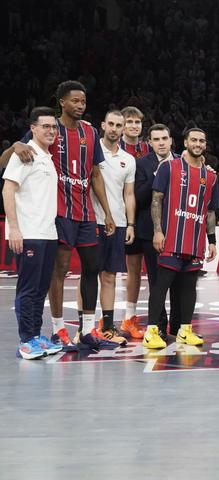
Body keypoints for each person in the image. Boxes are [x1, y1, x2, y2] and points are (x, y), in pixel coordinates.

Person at [1, 81, 117, 351]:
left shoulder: (89, 131)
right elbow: (8, 160)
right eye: (75, 100)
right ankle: (58, 330)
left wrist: (107, 212)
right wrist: (17, 144)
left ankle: (87, 330)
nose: (80, 105)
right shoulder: (48, 130)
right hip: (58, 214)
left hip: (86, 212)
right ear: (62, 102)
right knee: (58, 272)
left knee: (92, 267)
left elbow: (95, 173)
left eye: (83, 101)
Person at [143, 128, 219, 349]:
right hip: (172, 239)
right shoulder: (169, 167)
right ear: (185, 142)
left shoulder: (211, 176)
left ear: (205, 145)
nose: (197, 143)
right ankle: (151, 331)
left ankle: (185, 330)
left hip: (195, 241)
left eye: (201, 140)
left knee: (189, 288)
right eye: (193, 140)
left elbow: (211, 211)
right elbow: (156, 200)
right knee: (161, 286)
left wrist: (212, 240)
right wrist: (158, 231)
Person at [2, 107, 63, 359]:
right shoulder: (24, 154)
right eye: (45, 126)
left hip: (48, 233)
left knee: (39, 290)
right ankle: (26, 341)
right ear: (33, 128)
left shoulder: (47, 157)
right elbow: (7, 190)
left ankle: (36, 336)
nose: (50, 131)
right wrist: (14, 227)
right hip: (28, 233)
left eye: (53, 127)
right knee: (28, 290)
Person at [81, 110, 136, 343]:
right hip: (93, 221)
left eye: (118, 125)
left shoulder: (129, 159)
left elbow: (129, 194)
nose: (114, 129)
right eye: (111, 124)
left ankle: (107, 327)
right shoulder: (91, 151)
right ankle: (85, 329)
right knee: (89, 274)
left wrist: (131, 223)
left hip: (120, 224)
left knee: (110, 277)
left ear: (123, 129)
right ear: (102, 125)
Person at [129, 124, 178, 338]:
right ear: (149, 142)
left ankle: (178, 327)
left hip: (178, 230)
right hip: (150, 232)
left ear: (170, 140)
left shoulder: (182, 161)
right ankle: (158, 325)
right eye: (156, 139)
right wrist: (156, 176)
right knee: (157, 281)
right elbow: (137, 197)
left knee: (179, 282)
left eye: (164, 138)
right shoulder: (141, 164)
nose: (161, 142)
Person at [119, 106, 150, 337]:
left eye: (137, 122)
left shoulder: (148, 148)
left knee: (135, 270)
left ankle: (129, 317)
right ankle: (99, 319)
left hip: (143, 217)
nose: (133, 125)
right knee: (103, 271)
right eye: (129, 121)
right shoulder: (112, 147)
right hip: (116, 216)